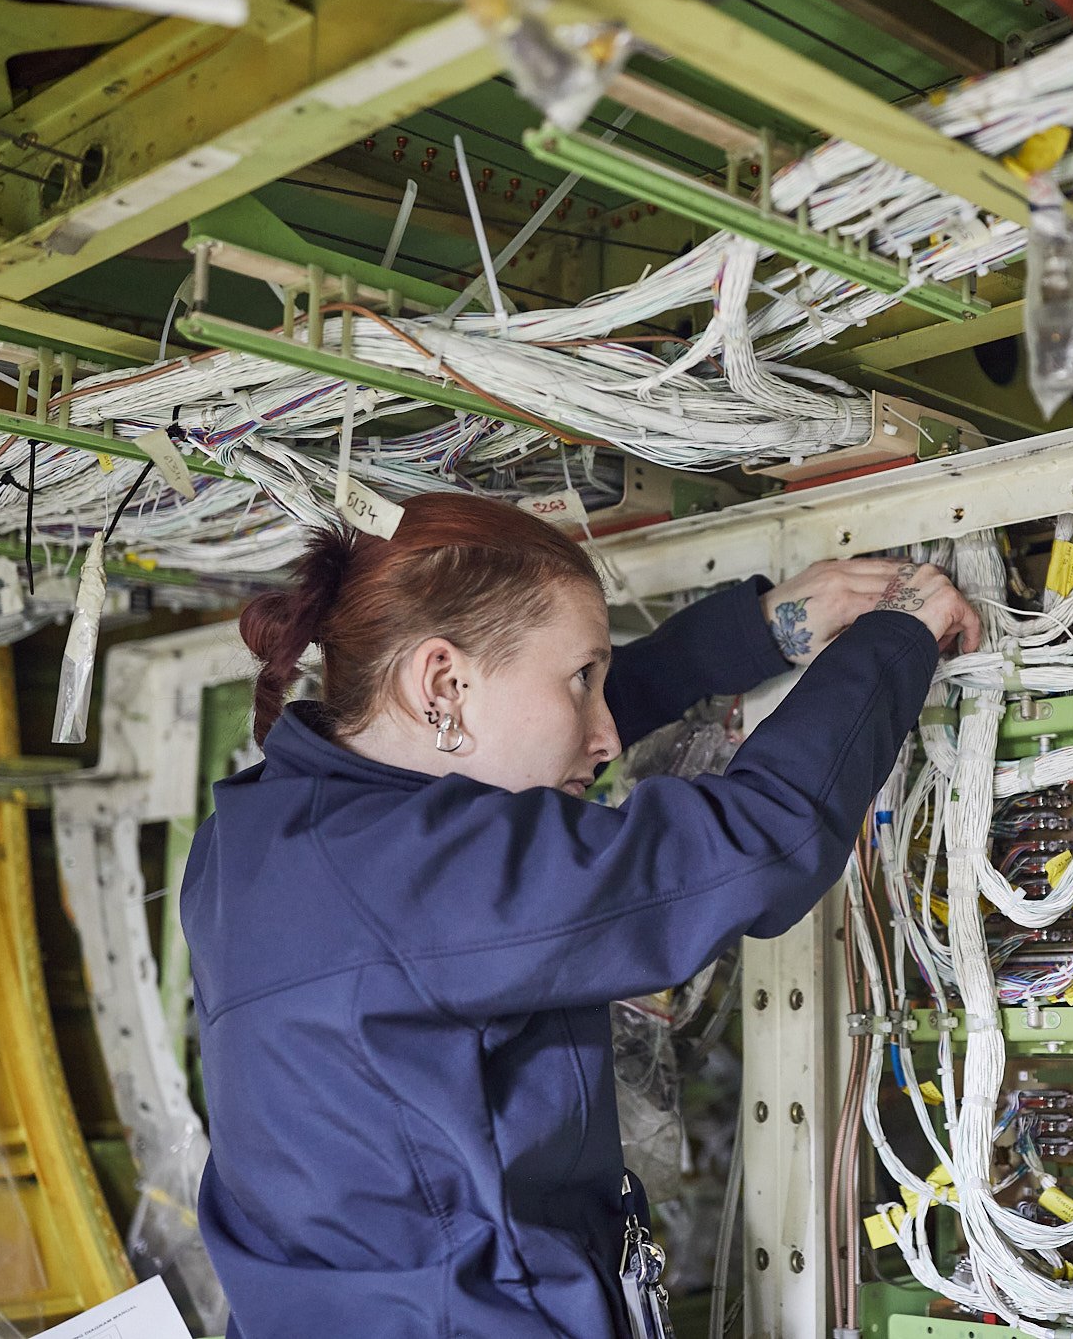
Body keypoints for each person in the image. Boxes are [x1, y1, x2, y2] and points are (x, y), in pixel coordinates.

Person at [180, 492, 980, 1338]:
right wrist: (897, 638)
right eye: (582, 679)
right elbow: (754, 845)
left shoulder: (249, 840)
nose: (605, 736)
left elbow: (512, 735)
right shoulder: (428, 879)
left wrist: (758, 633)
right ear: (442, 682)